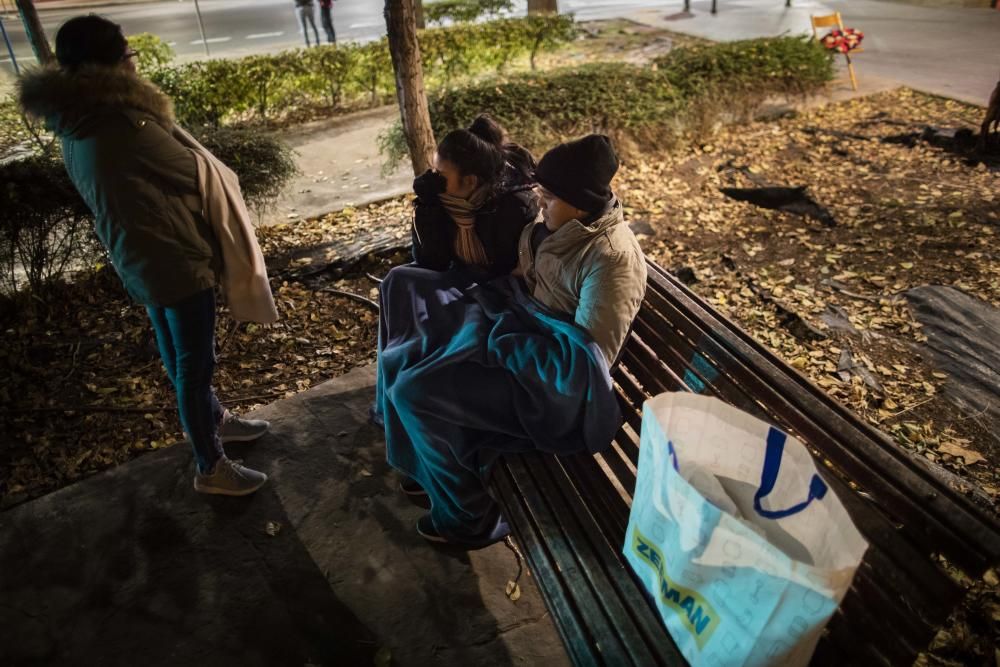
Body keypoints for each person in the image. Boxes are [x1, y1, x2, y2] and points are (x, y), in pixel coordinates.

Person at [19, 14, 277, 497]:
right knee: (194, 366)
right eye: (128, 54)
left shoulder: (73, 120)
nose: (135, 61)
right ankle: (211, 465)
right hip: (173, 259)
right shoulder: (125, 123)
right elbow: (192, 170)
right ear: (114, 65)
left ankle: (214, 420)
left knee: (178, 357)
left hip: (135, 254)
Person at [376, 134, 645, 548]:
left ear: (578, 200)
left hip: (554, 392)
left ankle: (472, 518)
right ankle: (431, 474)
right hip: (526, 348)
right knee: (411, 353)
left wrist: (499, 339)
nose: (539, 203)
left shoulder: (610, 260)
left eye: (549, 196)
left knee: (417, 391)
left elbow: (585, 369)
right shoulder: (555, 228)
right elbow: (521, 287)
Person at [410, 114, 539, 279]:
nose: (433, 179)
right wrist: (426, 206)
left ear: (470, 181)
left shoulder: (517, 207)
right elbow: (431, 263)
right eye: (433, 171)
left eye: (440, 174)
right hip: (463, 281)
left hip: (504, 292)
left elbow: (518, 273)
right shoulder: (444, 200)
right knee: (398, 277)